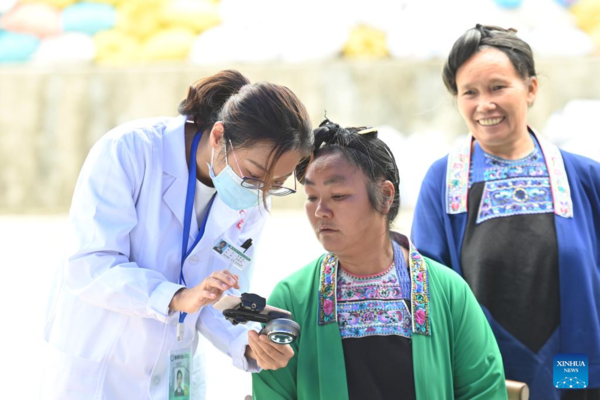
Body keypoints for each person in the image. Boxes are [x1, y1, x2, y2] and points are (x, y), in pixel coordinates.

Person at [42, 70, 313, 399]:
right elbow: (89, 265)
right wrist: (175, 296)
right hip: (100, 367)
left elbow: (223, 294)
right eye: (255, 175)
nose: (262, 191)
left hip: (176, 372)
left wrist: (250, 343)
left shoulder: (254, 198)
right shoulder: (129, 151)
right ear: (217, 136)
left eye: (276, 182)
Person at [252, 120, 507, 399]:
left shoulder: (449, 293)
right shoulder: (291, 300)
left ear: (385, 196)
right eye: (312, 196)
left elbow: (483, 390)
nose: (321, 211)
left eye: (338, 195)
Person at [411, 25, 600, 400]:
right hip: (485, 373)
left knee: (569, 396)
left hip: (570, 362)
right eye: (470, 92)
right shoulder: (444, 181)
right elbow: (427, 291)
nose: (485, 104)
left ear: (530, 88)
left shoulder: (584, 177)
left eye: (498, 87)